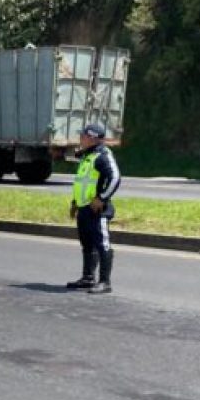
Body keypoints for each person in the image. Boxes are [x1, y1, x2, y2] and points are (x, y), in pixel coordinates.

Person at [66, 123, 121, 294]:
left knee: (102, 244)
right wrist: (75, 203)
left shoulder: (103, 156)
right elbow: (83, 182)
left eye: (83, 136)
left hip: (97, 210)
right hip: (84, 209)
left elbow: (115, 178)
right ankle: (88, 278)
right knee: (87, 244)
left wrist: (102, 198)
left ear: (92, 137)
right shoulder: (87, 156)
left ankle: (105, 282)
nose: (80, 139)